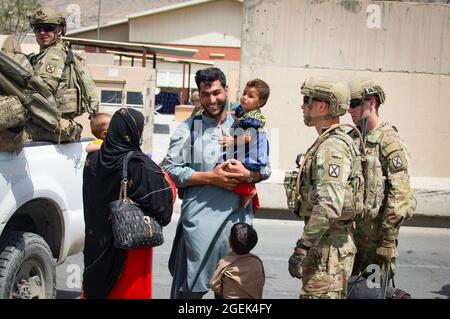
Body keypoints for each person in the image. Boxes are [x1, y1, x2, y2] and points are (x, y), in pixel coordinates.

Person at [162, 67, 271, 299]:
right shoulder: (188, 128)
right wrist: (212, 178)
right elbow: (171, 168)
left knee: (234, 297)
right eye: (205, 94)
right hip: (199, 227)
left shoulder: (247, 126)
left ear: (227, 91)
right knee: (189, 295)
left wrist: (249, 175)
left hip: (236, 228)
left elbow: (265, 169)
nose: (211, 100)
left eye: (216, 92)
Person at [82, 108, 174, 299]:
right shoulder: (138, 164)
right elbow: (163, 202)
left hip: (98, 246)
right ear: (133, 132)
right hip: (131, 245)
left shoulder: (92, 158)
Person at [287, 77, 364, 299]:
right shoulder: (330, 141)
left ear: (322, 106)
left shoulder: (332, 148)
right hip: (327, 248)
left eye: (306, 100)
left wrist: (302, 247)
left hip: (328, 252)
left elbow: (329, 204)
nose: (302, 106)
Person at [347, 78, 416, 281]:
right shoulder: (352, 138)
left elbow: (401, 193)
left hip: (376, 240)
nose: (350, 110)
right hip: (351, 237)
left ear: (372, 103)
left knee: (371, 291)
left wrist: (388, 240)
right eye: (348, 105)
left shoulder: (389, 140)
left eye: (354, 104)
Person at [26, 6, 99, 143]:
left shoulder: (54, 55)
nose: (42, 32)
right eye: (37, 28)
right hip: (54, 122)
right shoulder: (57, 51)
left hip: (48, 124)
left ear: (59, 30)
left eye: (47, 28)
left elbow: (42, 90)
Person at [217, 79, 270, 212]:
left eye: (250, 96)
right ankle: (249, 192)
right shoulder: (244, 112)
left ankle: (249, 192)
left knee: (232, 172)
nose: (244, 97)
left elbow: (248, 137)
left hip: (250, 153)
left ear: (260, 102)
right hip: (245, 151)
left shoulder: (253, 118)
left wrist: (231, 141)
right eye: (244, 93)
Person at [209, 222, 265, 299]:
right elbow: (261, 282)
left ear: (230, 243)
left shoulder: (225, 263)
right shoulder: (257, 261)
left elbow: (214, 284)